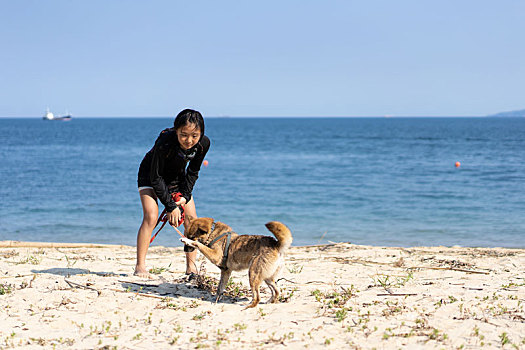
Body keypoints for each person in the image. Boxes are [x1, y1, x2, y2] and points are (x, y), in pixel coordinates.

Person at [135, 109, 210, 278]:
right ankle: (140, 266)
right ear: (176, 130)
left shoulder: (204, 143)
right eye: (183, 135)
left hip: (177, 179)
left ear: (201, 134)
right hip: (150, 175)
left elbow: (192, 172)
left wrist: (184, 196)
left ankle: (191, 267)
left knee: (191, 220)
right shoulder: (165, 141)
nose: (189, 140)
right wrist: (170, 206)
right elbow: (156, 177)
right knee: (151, 216)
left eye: (194, 136)